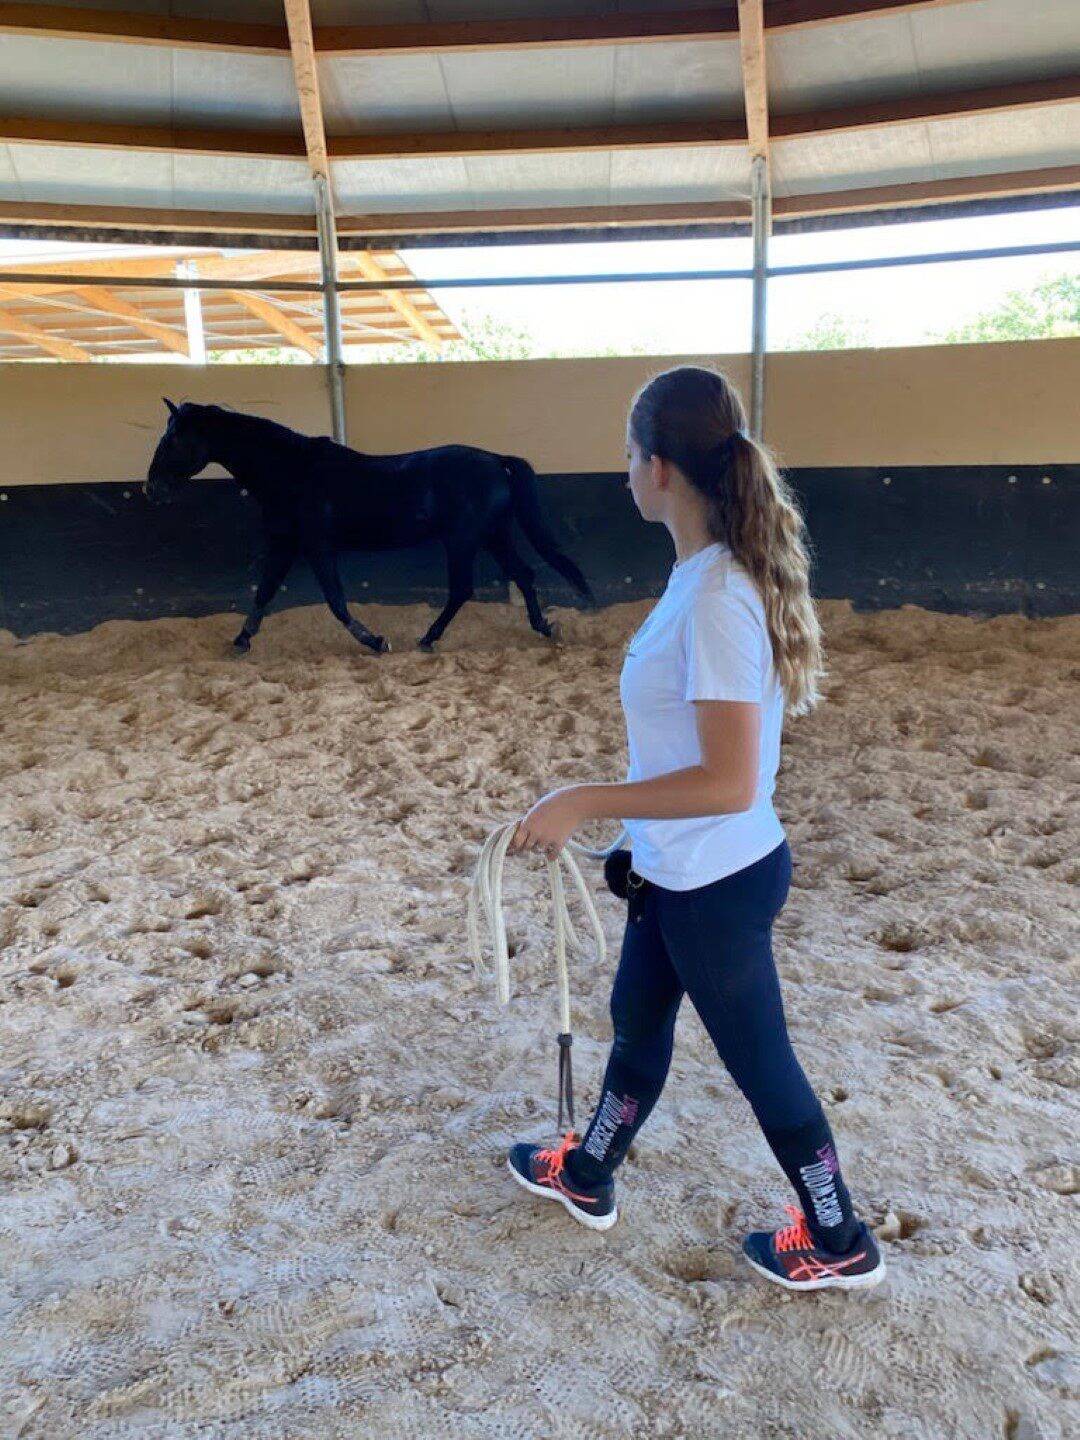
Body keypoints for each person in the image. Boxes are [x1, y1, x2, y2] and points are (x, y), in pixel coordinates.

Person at [506, 366, 884, 1292]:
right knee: (637, 1023)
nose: (624, 471)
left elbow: (726, 779)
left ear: (660, 467)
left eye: (629, 455)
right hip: (680, 869)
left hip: (716, 879)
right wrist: (636, 840)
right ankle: (588, 1173)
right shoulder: (699, 578)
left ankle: (837, 1239)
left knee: (762, 1063)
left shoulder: (716, 598)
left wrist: (586, 800)